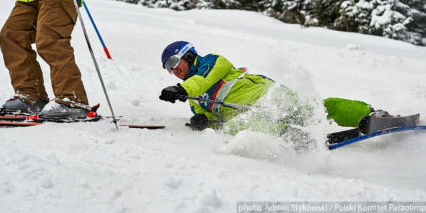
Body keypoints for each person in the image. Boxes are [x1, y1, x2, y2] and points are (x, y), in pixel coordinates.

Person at [159, 41, 388, 132]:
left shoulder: (211, 61)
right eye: (169, 69)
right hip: (248, 114)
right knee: (237, 128)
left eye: (174, 63)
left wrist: (183, 90)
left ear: (188, 56)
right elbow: (203, 111)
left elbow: (203, 81)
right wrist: (203, 120)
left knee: (312, 110)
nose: (174, 71)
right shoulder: (194, 96)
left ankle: (371, 116)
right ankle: (291, 139)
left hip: (263, 95)